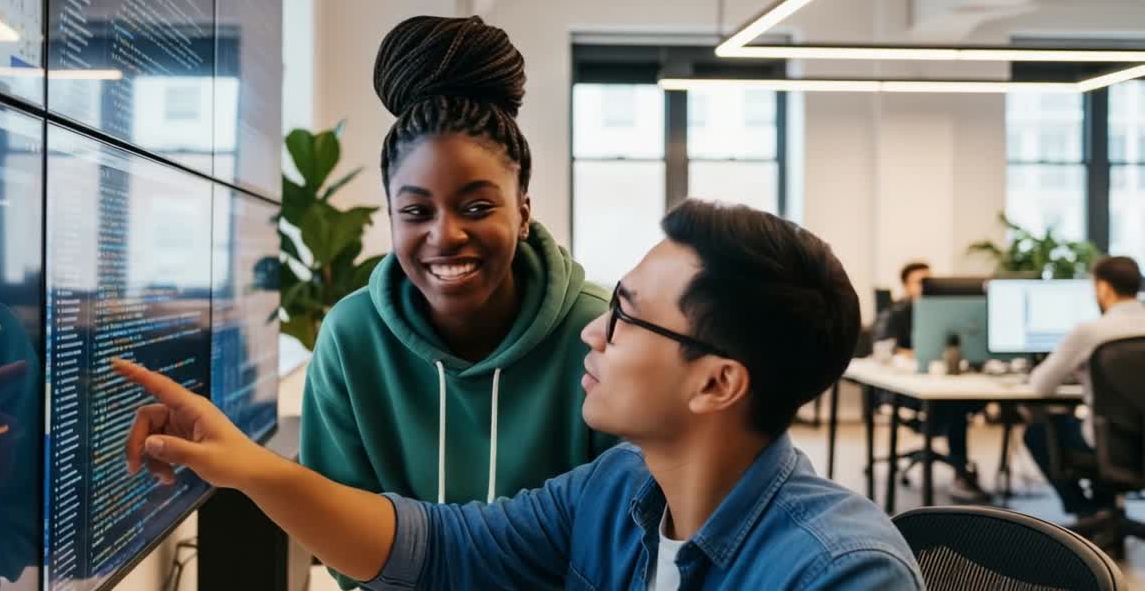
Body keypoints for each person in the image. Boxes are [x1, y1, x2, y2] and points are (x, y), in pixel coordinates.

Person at [114, 201, 924, 590]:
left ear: (717, 383)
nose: (591, 334)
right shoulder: (621, 491)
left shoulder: (839, 576)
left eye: (627, 318)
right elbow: (438, 547)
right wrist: (249, 467)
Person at [299, 16, 617, 583]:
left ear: (522, 211)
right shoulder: (351, 338)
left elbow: (622, 535)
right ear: (392, 216)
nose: (445, 236)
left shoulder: (595, 332)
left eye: (476, 207)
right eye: (417, 212)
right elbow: (339, 537)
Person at [1024, 256, 1145, 523]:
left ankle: (1087, 512)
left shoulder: (1090, 331)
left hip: (1111, 443)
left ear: (1103, 288)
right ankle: (1105, 510)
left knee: (1037, 433)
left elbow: (1040, 386)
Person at [873, 261, 989, 504]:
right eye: (920, 282)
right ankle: (960, 472)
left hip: (945, 384)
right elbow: (885, 348)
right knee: (955, 408)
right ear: (905, 287)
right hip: (907, 390)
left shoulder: (948, 312)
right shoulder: (896, 313)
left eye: (930, 281)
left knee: (956, 401)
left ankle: (960, 471)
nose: (928, 287)